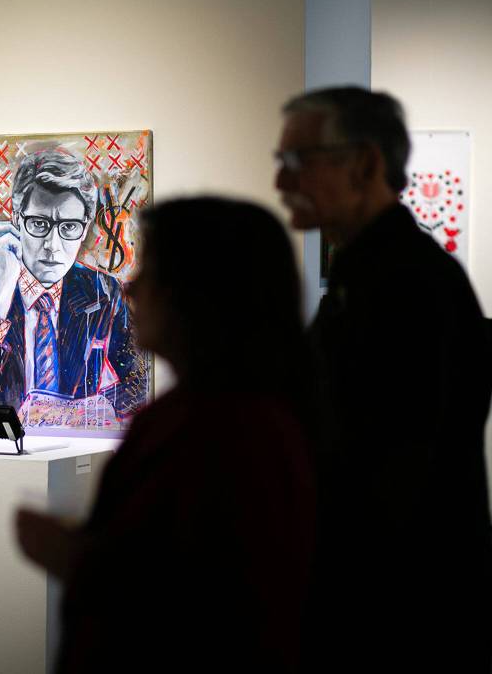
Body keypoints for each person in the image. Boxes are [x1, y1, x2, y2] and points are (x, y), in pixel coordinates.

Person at [16, 197, 317, 672]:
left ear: (197, 294)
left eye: (151, 271)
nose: (132, 288)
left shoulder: (236, 432)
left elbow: (205, 604)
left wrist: (76, 558)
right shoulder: (196, 415)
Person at [275, 86, 492, 672]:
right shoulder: (372, 273)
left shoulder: (407, 285)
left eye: (297, 162)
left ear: (365, 164)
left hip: (399, 618)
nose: (281, 183)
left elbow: (392, 470)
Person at [0, 148, 148, 425]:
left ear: (85, 227)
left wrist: (82, 412)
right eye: (39, 223)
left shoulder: (103, 291)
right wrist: (2, 290)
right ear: (16, 219)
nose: (53, 246)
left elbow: (142, 381)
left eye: (69, 227)